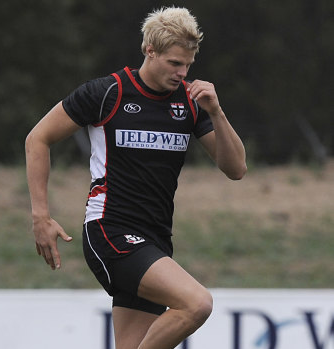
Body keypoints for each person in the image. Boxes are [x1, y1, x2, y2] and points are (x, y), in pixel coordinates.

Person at [25, 6, 246, 349]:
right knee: (197, 303)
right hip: (110, 232)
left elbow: (235, 169)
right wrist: (41, 215)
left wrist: (216, 112)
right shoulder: (107, 93)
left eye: (188, 65)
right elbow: (37, 138)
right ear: (149, 50)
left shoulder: (189, 102)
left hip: (156, 240)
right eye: (174, 63)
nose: (182, 72)